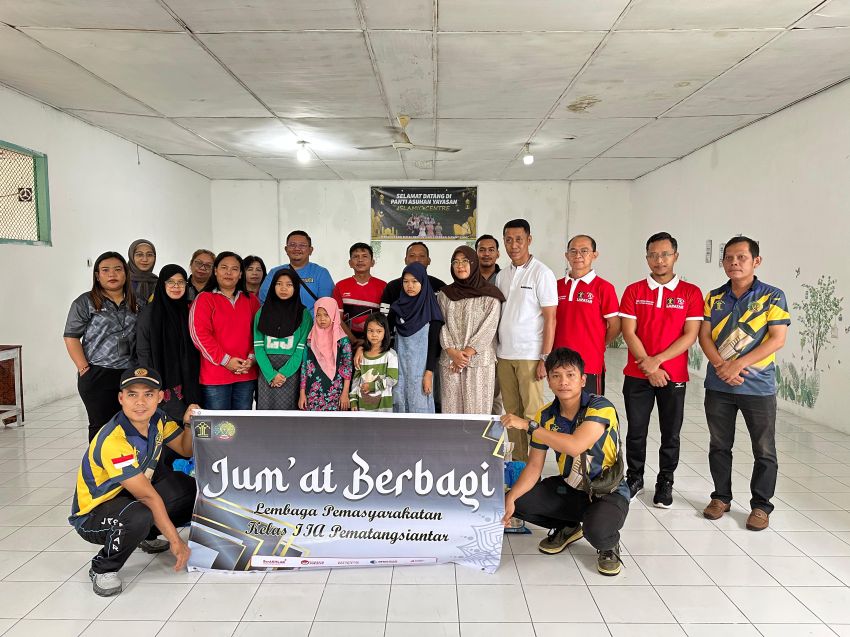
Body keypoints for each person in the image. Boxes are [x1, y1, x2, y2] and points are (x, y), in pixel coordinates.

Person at [502, 348, 628, 576]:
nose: (564, 382)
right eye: (556, 375)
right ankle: (568, 527)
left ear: (582, 380)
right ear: (548, 380)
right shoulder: (545, 416)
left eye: (570, 375)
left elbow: (575, 445)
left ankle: (609, 545)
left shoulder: (601, 407)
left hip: (608, 491)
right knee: (517, 502)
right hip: (572, 488)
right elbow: (533, 467)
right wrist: (510, 498)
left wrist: (528, 426)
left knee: (597, 531)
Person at [69, 367, 194, 597]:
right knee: (138, 514)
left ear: (160, 397)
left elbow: (185, 449)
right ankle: (102, 567)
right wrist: (176, 541)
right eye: (132, 394)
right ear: (121, 398)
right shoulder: (115, 439)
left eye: (148, 394)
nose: (140, 402)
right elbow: (147, 496)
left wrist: (188, 423)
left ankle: (143, 536)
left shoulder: (158, 420)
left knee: (188, 490)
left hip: (127, 498)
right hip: (92, 514)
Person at [699, 237, 790, 531]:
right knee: (719, 445)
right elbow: (704, 336)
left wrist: (737, 365)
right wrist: (721, 366)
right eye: (728, 258)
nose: (734, 263)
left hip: (758, 387)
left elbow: (777, 339)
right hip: (719, 386)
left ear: (756, 261)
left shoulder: (773, 296)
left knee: (764, 449)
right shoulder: (714, 297)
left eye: (741, 257)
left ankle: (761, 506)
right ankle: (721, 497)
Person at [619, 232, 703, 508]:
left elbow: (690, 335)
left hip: (674, 375)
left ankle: (665, 482)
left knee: (671, 433)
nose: (659, 260)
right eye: (653, 255)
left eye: (665, 254)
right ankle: (634, 477)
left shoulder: (690, 293)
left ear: (675, 256)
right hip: (637, 375)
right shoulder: (634, 290)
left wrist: (658, 361)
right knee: (636, 430)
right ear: (647, 258)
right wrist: (648, 363)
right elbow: (628, 332)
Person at [495, 219, 557, 462]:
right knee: (511, 415)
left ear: (529, 240)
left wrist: (545, 358)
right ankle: (518, 467)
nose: (513, 245)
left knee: (533, 415)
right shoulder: (503, 275)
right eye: (508, 240)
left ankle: (535, 468)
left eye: (519, 239)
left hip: (530, 355)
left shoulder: (542, 273)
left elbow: (551, 319)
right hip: (504, 354)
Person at [64, 252, 142, 441]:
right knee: (102, 428)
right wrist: (84, 369)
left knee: (130, 426)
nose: (112, 274)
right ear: (97, 275)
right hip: (98, 373)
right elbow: (71, 337)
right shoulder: (85, 302)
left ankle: (128, 469)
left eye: (117, 269)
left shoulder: (137, 303)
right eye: (105, 270)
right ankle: (99, 469)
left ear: (125, 274)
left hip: (130, 373)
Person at [436, 246, 504, 414]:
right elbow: (440, 324)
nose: (460, 266)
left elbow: (489, 328)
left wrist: (465, 354)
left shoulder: (490, 295)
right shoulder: (445, 295)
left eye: (465, 261)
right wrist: (453, 353)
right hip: (451, 361)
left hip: (479, 362)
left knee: (477, 412)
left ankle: (479, 442)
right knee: (452, 412)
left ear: (474, 264)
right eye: (456, 262)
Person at [189, 251, 260, 410]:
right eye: (224, 267)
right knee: (219, 430)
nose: (229, 272)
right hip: (215, 376)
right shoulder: (205, 299)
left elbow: (259, 333)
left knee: (242, 427)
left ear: (241, 274)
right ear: (215, 271)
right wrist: (226, 360)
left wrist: (252, 358)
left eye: (234, 269)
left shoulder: (251, 300)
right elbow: (199, 335)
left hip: (245, 373)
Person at [135, 264, 202, 427]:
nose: (176, 286)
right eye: (171, 282)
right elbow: (143, 349)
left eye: (181, 282)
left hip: (188, 378)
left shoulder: (189, 310)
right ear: (162, 285)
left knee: (190, 422)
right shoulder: (150, 313)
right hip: (162, 378)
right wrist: (151, 381)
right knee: (166, 425)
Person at [553, 234, 620, 395]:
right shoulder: (556, 286)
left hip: (589, 364)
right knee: (563, 412)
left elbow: (616, 325)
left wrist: (599, 343)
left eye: (584, 251)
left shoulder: (604, 288)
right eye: (573, 251)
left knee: (591, 412)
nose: (578, 255)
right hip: (559, 363)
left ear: (594, 255)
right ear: (566, 255)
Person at [389, 262, 444, 413]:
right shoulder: (396, 308)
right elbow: (385, 338)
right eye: (405, 282)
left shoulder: (432, 310)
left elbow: (434, 346)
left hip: (422, 373)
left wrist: (429, 373)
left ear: (423, 283)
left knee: (421, 411)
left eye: (415, 281)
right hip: (397, 373)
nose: (410, 286)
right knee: (398, 409)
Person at [254, 269, 312, 410]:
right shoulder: (261, 313)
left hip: (291, 371)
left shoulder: (304, 315)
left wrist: (283, 374)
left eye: (289, 284)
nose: (283, 288)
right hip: (267, 371)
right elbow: (258, 347)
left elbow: (301, 349)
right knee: (266, 413)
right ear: (273, 286)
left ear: (296, 288)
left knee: (289, 416)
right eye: (279, 284)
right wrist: (271, 374)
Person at [299, 297, 353, 411]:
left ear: (333, 314)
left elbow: (347, 368)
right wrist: (302, 393)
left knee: (334, 427)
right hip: (312, 393)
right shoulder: (310, 339)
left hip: (335, 393)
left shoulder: (342, 340)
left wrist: (345, 393)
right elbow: (305, 367)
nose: (322, 319)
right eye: (318, 315)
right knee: (313, 426)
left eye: (326, 314)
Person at [258, 230, 335, 308]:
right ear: (286, 249)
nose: (297, 248)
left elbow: (326, 305)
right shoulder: (274, 272)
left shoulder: (321, 273)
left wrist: (307, 319)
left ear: (310, 250)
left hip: (313, 319)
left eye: (302, 245)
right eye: (292, 245)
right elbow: (265, 301)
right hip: (280, 319)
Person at [333, 242, 387, 347]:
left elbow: (385, 318)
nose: (360, 260)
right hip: (346, 343)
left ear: (372, 262)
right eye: (356, 257)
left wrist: (369, 341)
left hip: (374, 344)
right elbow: (337, 319)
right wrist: (354, 341)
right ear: (350, 263)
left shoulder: (383, 286)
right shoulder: (340, 286)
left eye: (365, 256)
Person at [350, 312, 398, 412]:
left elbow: (392, 379)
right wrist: (353, 400)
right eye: (370, 331)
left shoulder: (390, 355)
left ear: (385, 332)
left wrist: (372, 386)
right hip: (362, 408)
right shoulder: (361, 355)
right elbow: (356, 380)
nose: (374, 334)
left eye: (379, 331)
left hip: (383, 408)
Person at [379, 241, 447, 313]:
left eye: (422, 256)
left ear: (429, 261)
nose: (417, 259)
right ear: (405, 260)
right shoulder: (392, 287)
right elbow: (383, 315)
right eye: (412, 255)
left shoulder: (439, 286)